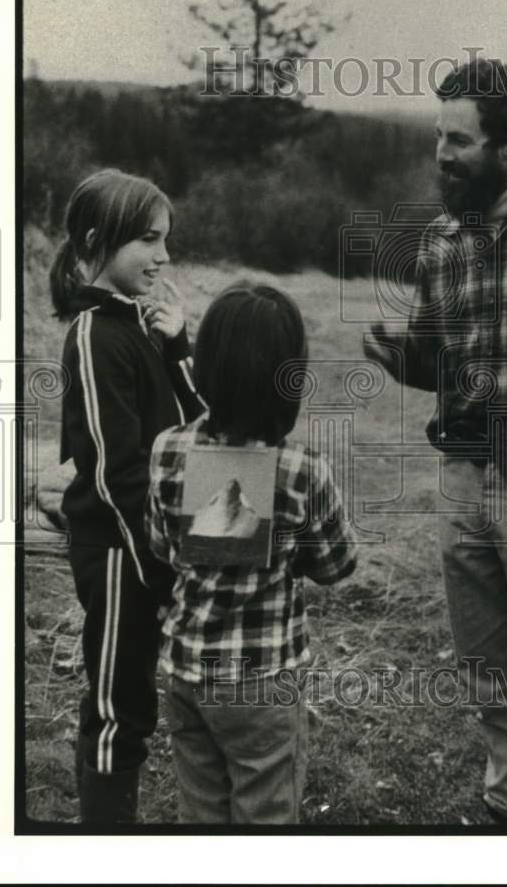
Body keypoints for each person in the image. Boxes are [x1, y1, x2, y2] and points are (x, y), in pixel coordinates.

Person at [364, 58, 507, 824]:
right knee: (492, 685)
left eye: (458, 140)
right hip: (462, 485)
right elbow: (441, 364)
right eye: (438, 136)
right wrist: (399, 357)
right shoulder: (440, 241)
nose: (441, 154)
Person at [146, 281, 357, 824]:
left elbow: (162, 546)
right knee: (265, 816)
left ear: (206, 364)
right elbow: (337, 565)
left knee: (202, 811)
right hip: (262, 679)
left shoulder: (167, 448)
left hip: (186, 668)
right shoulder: (301, 468)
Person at [49, 168, 205, 823]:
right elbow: (115, 473)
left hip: (149, 544)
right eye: (148, 239)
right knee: (119, 707)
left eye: (165, 239)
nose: (164, 256)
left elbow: (205, 429)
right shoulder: (94, 335)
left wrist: (176, 349)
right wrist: (155, 564)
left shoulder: (142, 328)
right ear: (97, 241)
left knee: (137, 697)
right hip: (119, 554)